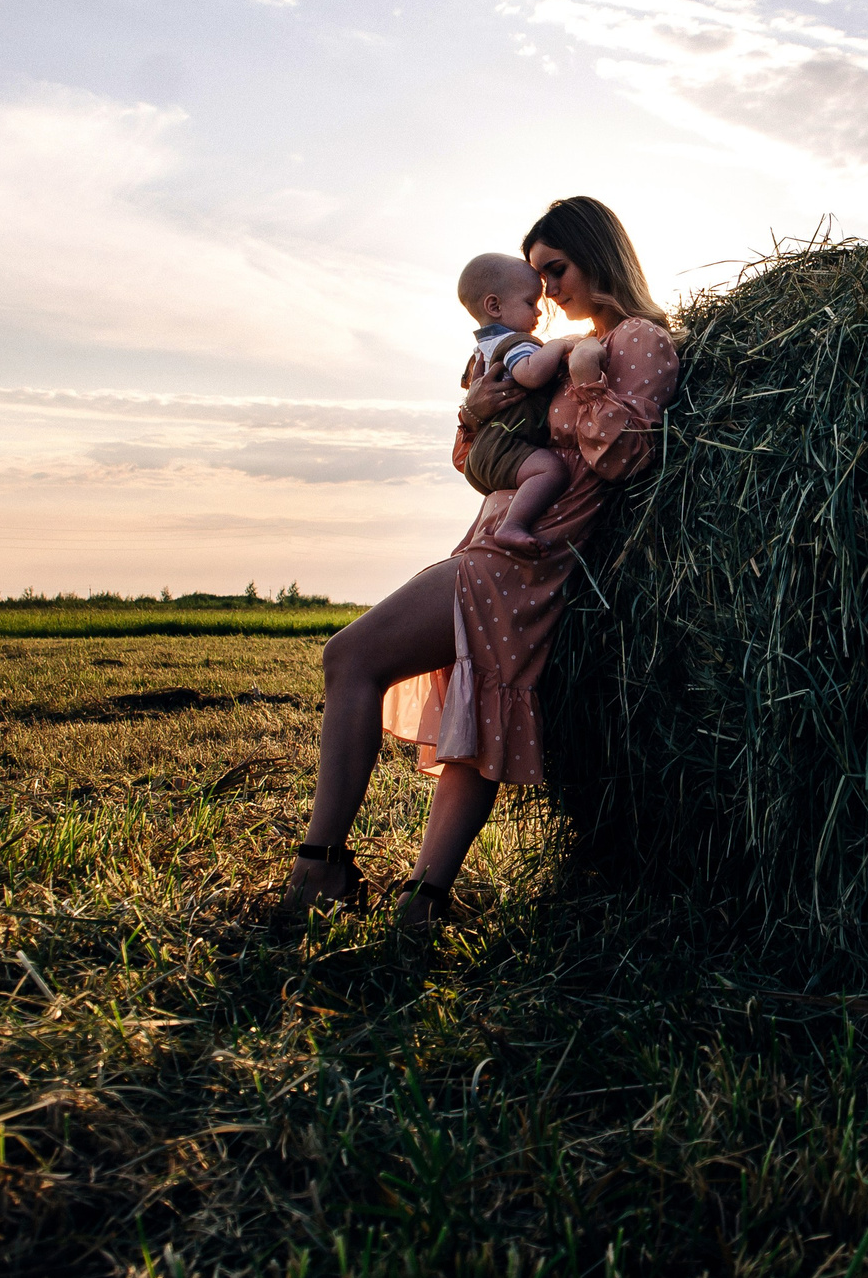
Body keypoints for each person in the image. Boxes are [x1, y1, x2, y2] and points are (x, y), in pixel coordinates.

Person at [285, 198, 680, 924]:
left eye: (556, 269)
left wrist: (588, 377)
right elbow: (477, 460)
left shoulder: (639, 339)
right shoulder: (565, 346)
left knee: (351, 656)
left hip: (523, 559)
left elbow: (628, 455)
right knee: (475, 720)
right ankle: (422, 904)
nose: (547, 290)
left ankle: (320, 867)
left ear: (599, 255)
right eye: (538, 275)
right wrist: (475, 409)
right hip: (494, 542)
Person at [453, 251, 580, 556]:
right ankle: (512, 526)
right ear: (494, 306)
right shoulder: (514, 343)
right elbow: (531, 374)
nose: (539, 312)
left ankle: (487, 535)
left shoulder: (482, 350)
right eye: (529, 303)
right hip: (506, 444)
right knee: (551, 471)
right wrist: (558, 345)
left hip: (486, 452)